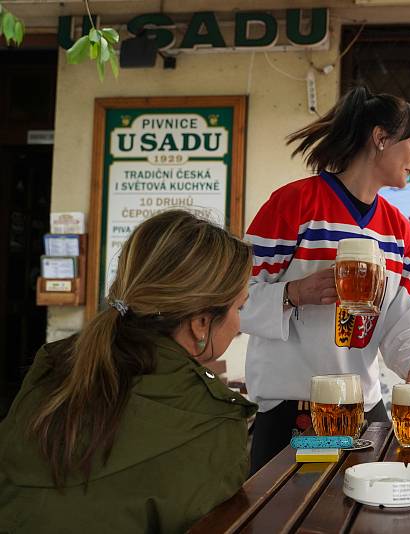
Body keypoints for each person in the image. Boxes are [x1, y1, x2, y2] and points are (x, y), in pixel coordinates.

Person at [0, 210, 256, 533]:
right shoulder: (213, 421)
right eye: (239, 307)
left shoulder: (54, 364)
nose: (239, 324)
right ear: (201, 324)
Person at [241, 86, 410, 475]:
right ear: (380, 138)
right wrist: (293, 294)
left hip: (364, 407)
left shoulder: (400, 232)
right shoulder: (293, 205)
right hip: (293, 411)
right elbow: (232, 300)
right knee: (285, 519)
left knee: (366, 514)